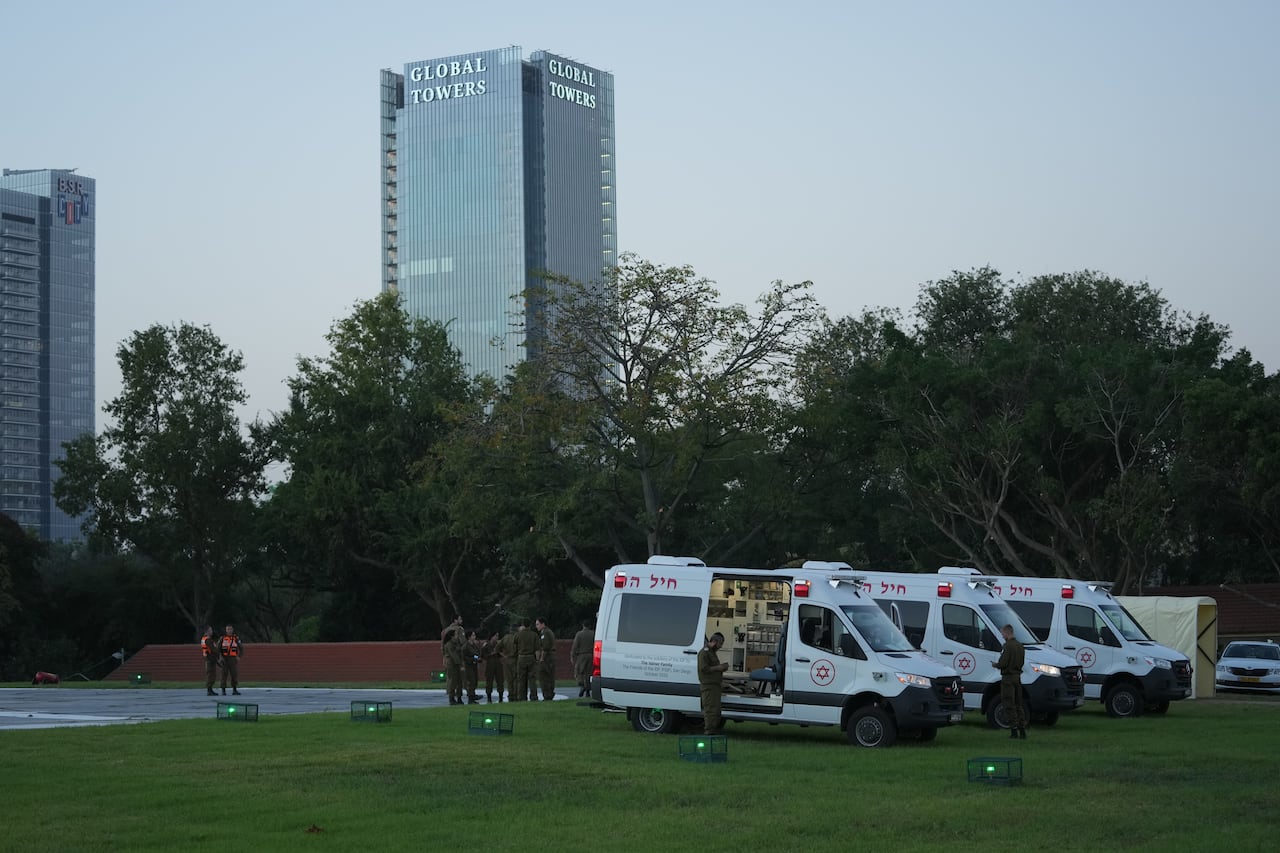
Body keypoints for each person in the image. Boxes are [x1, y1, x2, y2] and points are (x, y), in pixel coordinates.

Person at [992, 623, 1027, 739]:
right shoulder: (1020, 646)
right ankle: (1022, 729)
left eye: (1002, 633)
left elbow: (1003, 663)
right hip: (1017, 677)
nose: (1002, 636)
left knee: (1009, 704)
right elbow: (1021, 662)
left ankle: (1014, 730)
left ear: (1007, 633)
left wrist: (996, 665)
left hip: (1008, 678)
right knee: (1018, 704)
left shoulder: (1007, 646)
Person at [698, 632, 730, 734]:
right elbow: (703, 668)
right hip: (708, 686)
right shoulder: (704, 652)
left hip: (715, 686)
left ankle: (714, 730)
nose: (721, 647)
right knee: (711, 710)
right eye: (720, 644)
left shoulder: (712, 652)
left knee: (716, 710)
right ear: (715, 642)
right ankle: (709, 731)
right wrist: (719, 667)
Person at [441, 616, 465, 705]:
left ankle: (459, 697)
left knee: (459, 680)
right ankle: (452, 698)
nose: (456, 636)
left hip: (454, 662)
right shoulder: (450, 644)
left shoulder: (445, 630)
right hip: (452, 663)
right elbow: (454, 655)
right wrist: (461, 664)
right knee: (453, 680)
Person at [515, 619, 539, 701]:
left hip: (521, 657)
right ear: (530, 625)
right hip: (531, 657)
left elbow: (514, 645)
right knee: (532, 679)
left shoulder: (518, 634)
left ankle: (521, 697)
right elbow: (537, 649)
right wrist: (537, 659)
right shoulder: (534, 635)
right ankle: (534, 696)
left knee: (521, 679)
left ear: (523, 625)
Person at [571, 619, 595, 698]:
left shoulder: (579, 634)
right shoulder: (593, 634)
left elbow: (575, 646)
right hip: (591, 655)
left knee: (579, 672)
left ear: (583, 625)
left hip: (582, 655)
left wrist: (572, 655)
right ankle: (588, 690)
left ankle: (582, 686)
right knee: (588, 674)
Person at [535, 618, 557, 701]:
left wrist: (541, 658)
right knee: (550, 677)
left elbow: (545, 647)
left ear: (542, 624)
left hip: (547, 657)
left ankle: (547, 695)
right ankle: (550, 694)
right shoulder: (549, 631)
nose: (536, 626)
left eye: (537, 624)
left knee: (543, 676)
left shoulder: (544, 633)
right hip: (551, 656)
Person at [218, 624, 242, 696]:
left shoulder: (236, 638)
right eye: (228, 629)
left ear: (232, 630)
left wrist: (239, 656)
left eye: (230, 629)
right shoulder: (222, 638)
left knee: (234, 674)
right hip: (224, 659)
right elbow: (218, 649)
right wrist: (220, 657)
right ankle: (223, 690)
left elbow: (241, 648)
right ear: (226, 630)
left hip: (232, 658)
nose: (229, 631)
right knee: (223, 674)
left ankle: (234, 690)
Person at [481, 631, 505, 702]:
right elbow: (482, 655)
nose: (497, 637)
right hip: (490, 664)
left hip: (498, 663)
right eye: (496, 636)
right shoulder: (486, 645)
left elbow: (502, 652)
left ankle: (500, 698)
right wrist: (490, 654)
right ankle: (489, 698)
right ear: (492, 636)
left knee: (500, 681)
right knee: (489, 681)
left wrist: (500, 653)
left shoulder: (498, 644)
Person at [462, 629, 482, 704]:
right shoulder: (465, 646)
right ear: (469, 637)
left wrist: (477, 658)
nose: (475, 636)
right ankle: (471, 698)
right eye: (473, 635)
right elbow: (465, 657)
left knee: (475, 680)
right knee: (471, 681)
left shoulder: (474, 645)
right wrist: (473, 659)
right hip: (468, 666)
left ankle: (473, 695)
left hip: (474, 665)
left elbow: (476, 654)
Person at [201, 625, 221, 696]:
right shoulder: (208, 640)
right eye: (210, 630)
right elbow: (214, 650)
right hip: (210, 660)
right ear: (207, 631)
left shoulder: (204, 639)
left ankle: (210, 689)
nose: (212, 631)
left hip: (208, 659)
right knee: (211, 675)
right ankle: (209, 690)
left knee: (211, 675)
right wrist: (218, 649)